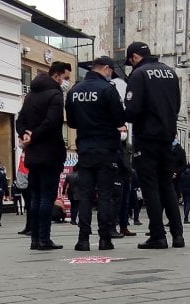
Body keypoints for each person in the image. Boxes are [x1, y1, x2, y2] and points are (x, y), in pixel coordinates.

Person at [123, 42, 183, 249]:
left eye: (130, 62)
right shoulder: (170, 73)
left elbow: (131, 109)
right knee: (167, 185)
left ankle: (158, 235)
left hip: (146, 138)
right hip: (167, 137)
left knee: (150, 187)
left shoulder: (139, 75)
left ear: (134, 57)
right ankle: (178, 234)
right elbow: (176, 105)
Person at [66, 55, 127, 251]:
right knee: (105, 195)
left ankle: (83, 239)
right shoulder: (108, 89)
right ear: (107, 69)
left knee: (84, 196)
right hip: (106, 148)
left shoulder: (74, 90)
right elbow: (119, 119)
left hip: (84, 149)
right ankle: (104, 238)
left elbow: (72, 122)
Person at [16, 60, 73, 250]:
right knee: (46, 198)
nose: (66, 82)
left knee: (35, 196)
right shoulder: (56, 94)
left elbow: (20, 120)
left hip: (32, 155)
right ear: (56, 75)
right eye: (65, 77)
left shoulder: (31, 95)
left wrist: (25, 134)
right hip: (50, 153)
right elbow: (53, 121)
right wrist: (34, 136)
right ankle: (44, 239)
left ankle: (34, 239)